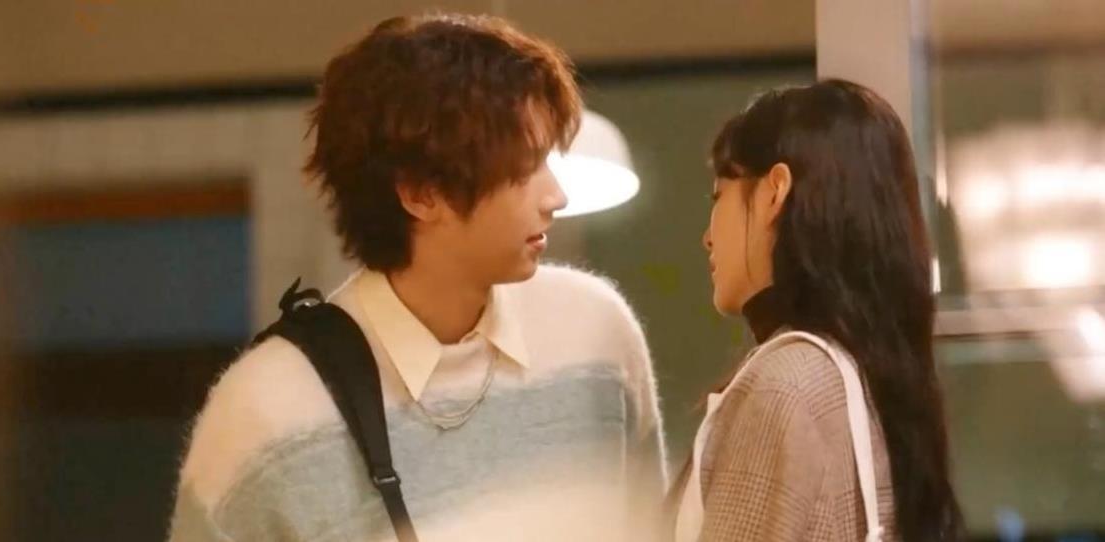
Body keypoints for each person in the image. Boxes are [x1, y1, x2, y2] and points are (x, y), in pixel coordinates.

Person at [167, 12, 666, 542]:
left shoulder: (594, 334)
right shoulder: (263, 412)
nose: (556, 197)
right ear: (420, 194)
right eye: (523, 169)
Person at [672, 79, 964, 541]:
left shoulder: (785, 384)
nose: (708, 237)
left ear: (774, 191)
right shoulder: (866, 374)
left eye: (719, 196)